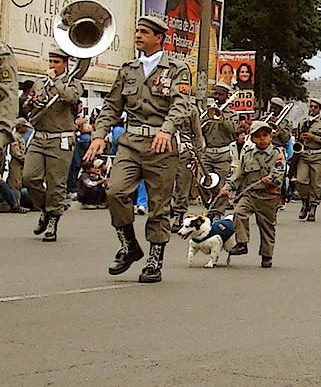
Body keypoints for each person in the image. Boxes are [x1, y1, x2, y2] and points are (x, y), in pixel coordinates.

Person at [85, 15, 191, 284]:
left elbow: (181, 104)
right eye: (137, 31)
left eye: (145, 32)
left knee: (158, 206)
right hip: (131, 143)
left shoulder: (177, 69)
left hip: (161, 145)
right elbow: (111, 106)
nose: (139, 35)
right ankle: (129, 245)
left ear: (159, 38)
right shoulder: (128, 70)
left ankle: (155, 259)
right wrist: (99, 134)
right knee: (115, 191)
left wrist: (167, 129)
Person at [23, 48, 83, 242]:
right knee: (29, 177)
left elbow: (71, 98)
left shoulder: (73, 84)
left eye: (56, 62)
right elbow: (29, 105)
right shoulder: (40, 82)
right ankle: (44, 209)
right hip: (39, 136)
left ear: (65, 63)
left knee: (56, 183)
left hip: (60, 138)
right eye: (50, 61)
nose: (52, 65)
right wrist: (31, 103)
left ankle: (52, 221)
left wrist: (56, 81)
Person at [218, 121, 286, 268]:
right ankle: (242, 243)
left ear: (271, 137)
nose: (262, 139)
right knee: (239, 213)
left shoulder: (277, 154)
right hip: (250, 194)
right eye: (257, 136)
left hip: (269, 196)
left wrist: (271, 179)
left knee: (266, 227)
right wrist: (227, 187)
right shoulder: (247, 155)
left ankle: (267, 255)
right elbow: (239, 175)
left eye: (265, 135)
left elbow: (279, 171)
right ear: (252, 138)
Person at [202, 82, 240, 220]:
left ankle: (217, 213)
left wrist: (221, 117)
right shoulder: (207, 111)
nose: (217, 97)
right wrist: (208, 116)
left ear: (226, 96)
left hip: (223, 153)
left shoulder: (232, 114)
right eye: (215, 93)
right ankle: (210, 207)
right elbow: (200, 129)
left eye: (220, 94)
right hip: (207, 152)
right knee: (205, 183)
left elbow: (233, 130)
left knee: (221, 185)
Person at [294, 97, 321, 222]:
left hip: (318, 155)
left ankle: (312, 208)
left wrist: (314, 137)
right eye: (311, 106)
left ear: (319, 109)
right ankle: (305, 203)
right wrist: (300, 138)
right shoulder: (303, 122)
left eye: (315, 107)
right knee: (301, 180)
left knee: (316, 184)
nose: (312, 109)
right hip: (304, 154)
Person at [171, 103, 204, 232]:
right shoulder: (165, 105)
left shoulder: (191, 109)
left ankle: (179, 214)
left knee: (182, 184)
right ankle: (168, 210)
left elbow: (197, 132)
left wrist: (198, 154)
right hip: (168, 147)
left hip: (185, 150)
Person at [7, 118, 29, 193]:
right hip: (15, 164)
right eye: (25, 126)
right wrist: (27, 159)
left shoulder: (20, 136)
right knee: (15, 184)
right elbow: (16, 152)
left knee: (19, 183)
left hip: (21, 164)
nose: (26, 128)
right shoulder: (14, 137)